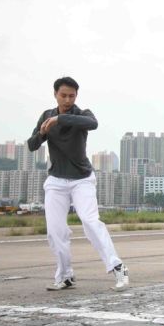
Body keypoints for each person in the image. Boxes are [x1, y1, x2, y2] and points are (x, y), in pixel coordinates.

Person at [27, 77, 129, 291]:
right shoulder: (46, 116)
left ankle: (118, 267)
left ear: (76, 96)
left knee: (90, 221)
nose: (67, 100)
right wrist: (42, 132)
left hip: (82, 179)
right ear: (55, 94)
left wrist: (59, 120)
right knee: (55, 231)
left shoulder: (82, 115)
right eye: (63, 95)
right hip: (56, 181)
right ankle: (65, 275)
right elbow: (32, 145)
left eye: (71, 96)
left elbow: (93, 124)